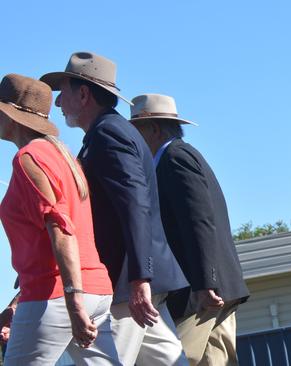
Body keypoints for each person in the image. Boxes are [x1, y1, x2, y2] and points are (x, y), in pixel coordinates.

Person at [40, 52, 190, 365]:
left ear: (83, 94)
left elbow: (135, 205)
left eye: (62, 92)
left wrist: (139, 280)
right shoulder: (107, 132)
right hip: (136, 278)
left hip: (126, 281)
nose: (57, 104)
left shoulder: (107, 134)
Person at [0, 74, 118, 364]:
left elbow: (61, 230)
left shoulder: (28, 158)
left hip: (55, 295)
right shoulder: (63, 155)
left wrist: (73, 299)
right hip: (97, 291)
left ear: (11, 116)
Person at [130, 93, 250, 365]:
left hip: (200, 291)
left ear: (154, 128)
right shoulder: (179, 156)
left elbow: (199, 220)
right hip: (214, 287)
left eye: (136, 131)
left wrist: (205, 282)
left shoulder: (174, 158)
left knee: (175, 359)